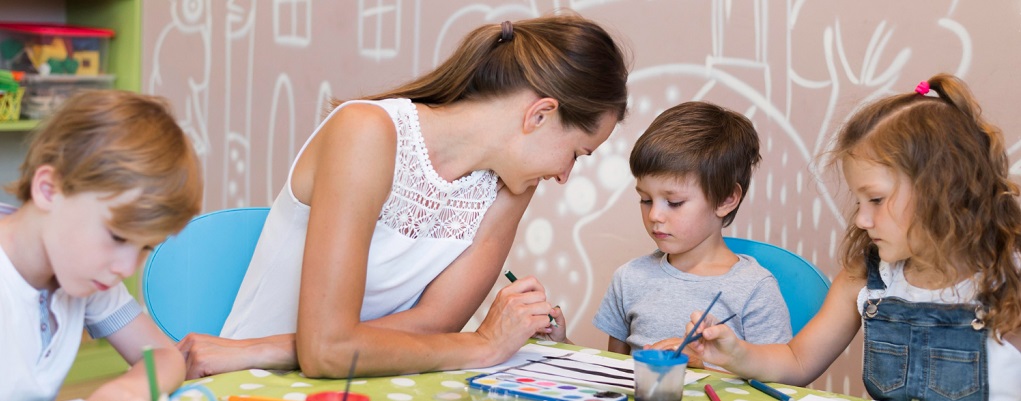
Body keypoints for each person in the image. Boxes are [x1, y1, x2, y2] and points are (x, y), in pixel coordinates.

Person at [176, 13, 630, 379]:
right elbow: (326, 352)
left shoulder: (511, 185)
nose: (566, 175)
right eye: (577, 152)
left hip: (368, 378)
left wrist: (273, 349)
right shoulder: (367, 133)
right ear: (540, 115)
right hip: (253, 382)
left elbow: (431, 327)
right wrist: (484, 343)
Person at [686, 74, 1021, 400]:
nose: (861, 219)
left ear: (941, 189)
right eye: (859, 201)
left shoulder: (1008, 279)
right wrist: (736, 355)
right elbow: (797, 360)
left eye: (875, 199)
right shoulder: (867, 277)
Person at [545, 102, 791, 361]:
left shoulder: (755, 290)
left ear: (726, 199)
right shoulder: (630, 279)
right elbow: (614, 373)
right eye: (646, 200)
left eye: (674, 203)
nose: (654, 215)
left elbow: (780, 384)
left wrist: (702, 364)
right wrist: (560, 344)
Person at [0, 90, 203, 400]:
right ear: (49, 189)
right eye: (118, 236)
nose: (125, 268)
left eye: (144, 248)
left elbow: (163, 355)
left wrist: (127, 390)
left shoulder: (79, 274)